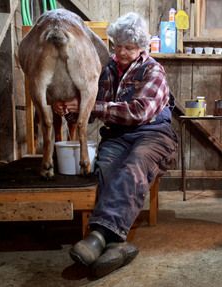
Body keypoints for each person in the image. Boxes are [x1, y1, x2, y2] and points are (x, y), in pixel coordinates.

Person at [52, 12, 178, 277]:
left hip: (152, 134)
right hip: (117, 135)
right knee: (106, 169)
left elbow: (139, 112)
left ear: (142, 47)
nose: (121, 52)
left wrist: (89, 106)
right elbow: (87, 104)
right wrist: (70, 109)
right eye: (118, 45)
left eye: (129, 47)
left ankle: (97, 237)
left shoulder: (153, 70)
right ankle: (117, 245)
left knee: (134, 166)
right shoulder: (105, 68)